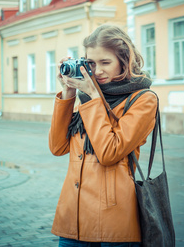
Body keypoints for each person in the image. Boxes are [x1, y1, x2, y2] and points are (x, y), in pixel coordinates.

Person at [49, 24, 158, 247]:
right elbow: (57, 147)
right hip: (73, 218)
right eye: (91, 63)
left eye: (105, 62)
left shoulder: (143, 99)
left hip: (113, 223)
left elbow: (109, 152)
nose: (96, 71)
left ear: (124, 61)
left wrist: (91, 97)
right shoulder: (88, 98)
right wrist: (68, 94)